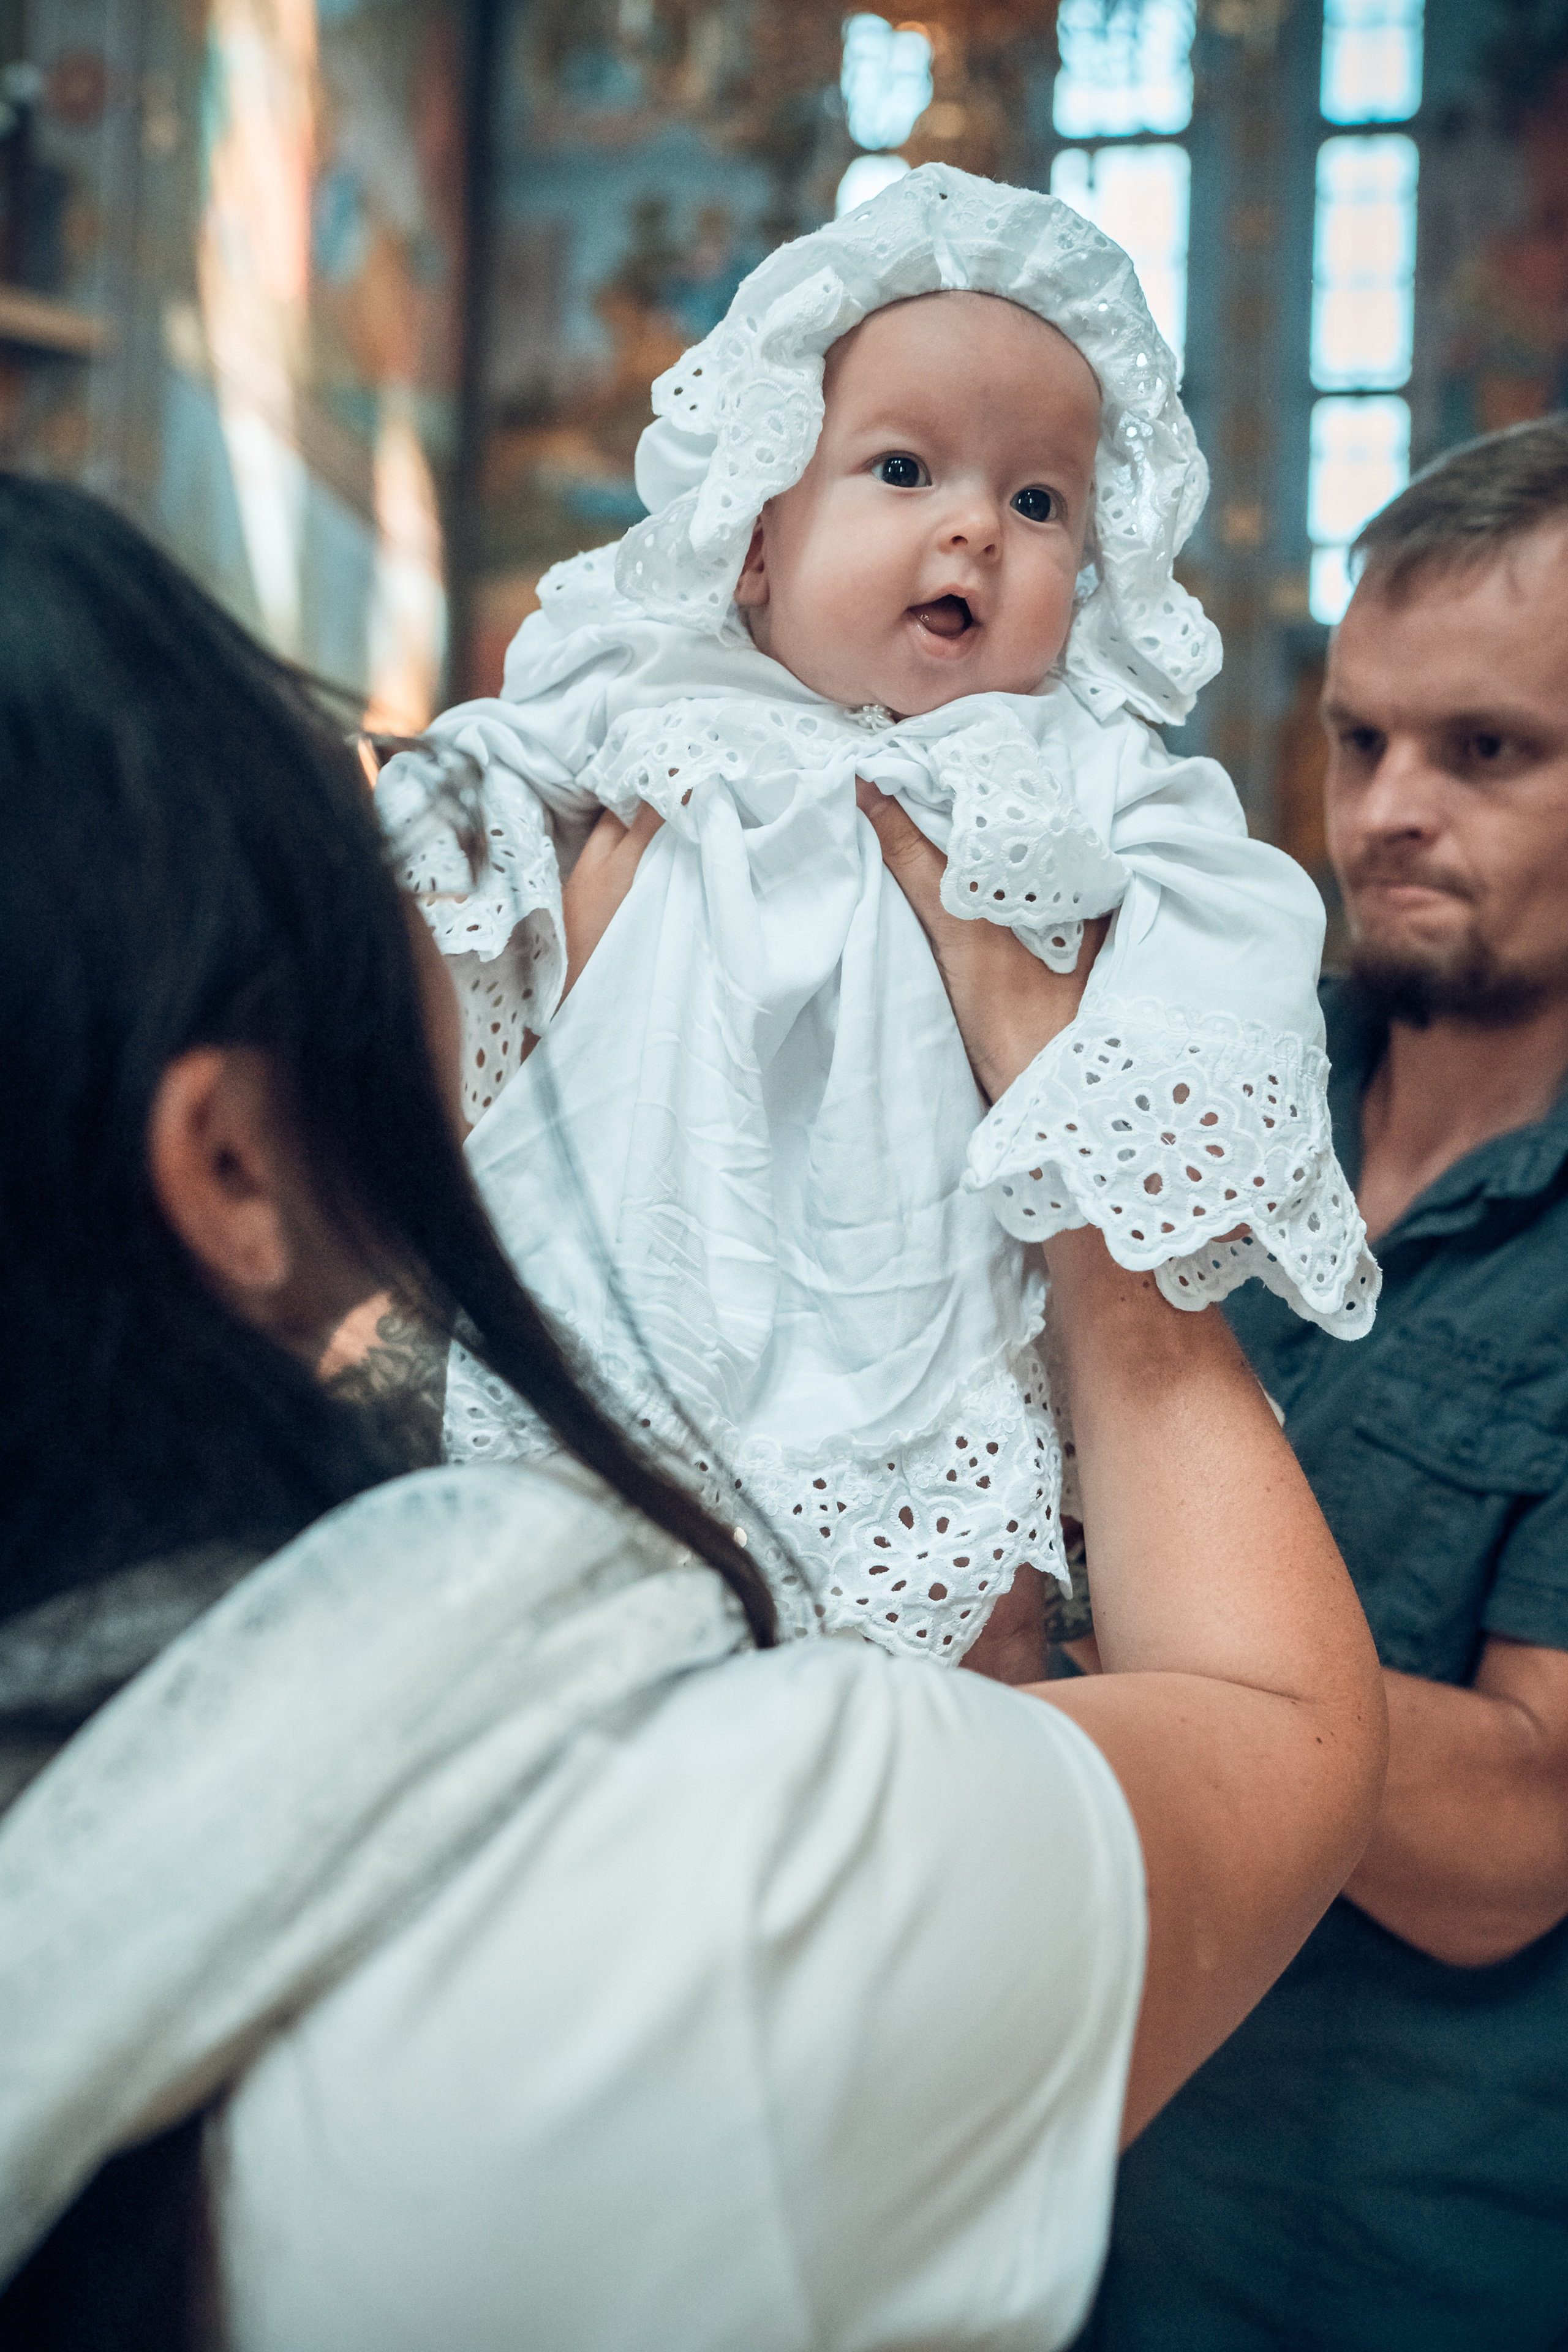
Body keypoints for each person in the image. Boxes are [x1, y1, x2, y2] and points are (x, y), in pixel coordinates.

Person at [0, 480, 1386, 2350]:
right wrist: (1080, 1139)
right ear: (230, 1167)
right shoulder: (698, 1897)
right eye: (350, 842)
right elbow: (1274, 1740)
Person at [381, 163, 1376, 1681]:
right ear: (759, 536)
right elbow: (479, 787)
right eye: (905, 471)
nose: (975, 530)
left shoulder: (1080, 768)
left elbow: (1231, 913)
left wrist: (1152, 1092)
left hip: (915, 1320)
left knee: (955, 1637)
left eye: (1037, 502)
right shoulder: (649, 694)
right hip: (620, 1277)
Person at [1082, 415, 1568, 2350]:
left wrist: (1066, 1631)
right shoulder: (1216, 1068)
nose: (1384, 812)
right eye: (1362, 741)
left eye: (1488, 752)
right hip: (1056, 2210)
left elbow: (1516, 1847)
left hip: (1373, 2260)